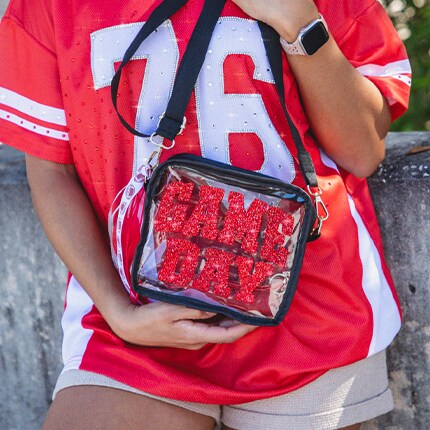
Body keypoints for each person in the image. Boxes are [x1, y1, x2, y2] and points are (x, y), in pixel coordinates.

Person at [0, 0, 411, 429]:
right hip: (137, 309)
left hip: (307, 309)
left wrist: (299, 22)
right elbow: (51, 173)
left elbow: (363, 152)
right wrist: (120, 313)